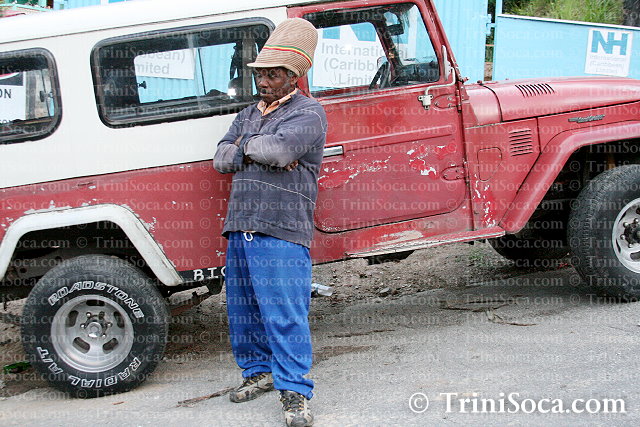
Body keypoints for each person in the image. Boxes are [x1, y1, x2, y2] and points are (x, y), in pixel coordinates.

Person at [212, 18, 327, 427]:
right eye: (259, 74)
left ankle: (295, 392)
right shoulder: (247, 114)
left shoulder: (310, 112)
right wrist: (254, 148)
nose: (262, 81)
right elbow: (221, 158)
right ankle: (258, 373)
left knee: (284, 313)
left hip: (281, 227)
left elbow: (279, 153)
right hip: (240, 224)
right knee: (243, 310)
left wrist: (250, 149)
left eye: (273, 74)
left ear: (294, 77)